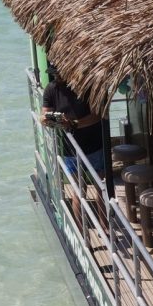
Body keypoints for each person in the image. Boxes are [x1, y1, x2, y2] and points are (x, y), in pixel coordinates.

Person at [41, 63, 105, 226]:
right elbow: (44, 117)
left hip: (94, 144)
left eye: (60, 74)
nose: (57, 78)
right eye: (55, 75)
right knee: (78, 190)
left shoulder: (86, 87)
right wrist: (59, 120)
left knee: (100, 187)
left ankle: (104, 226)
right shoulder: (51, 88)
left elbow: (97, 115)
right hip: (69, 147)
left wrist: (74, 123)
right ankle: (82, 233)